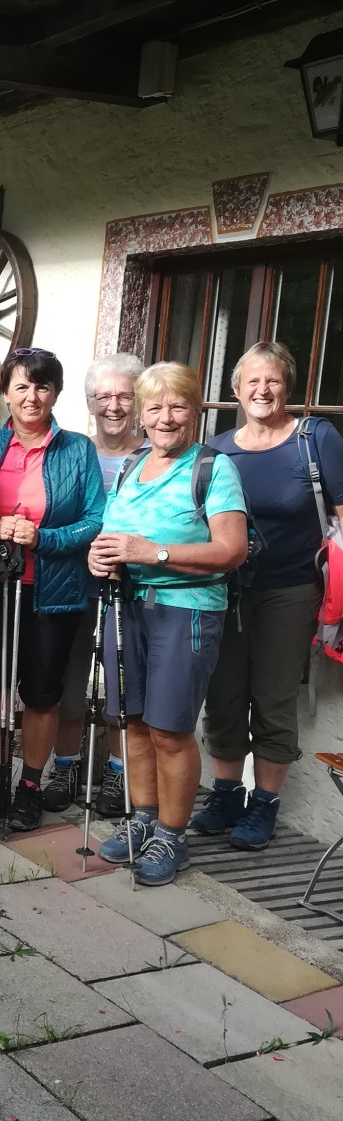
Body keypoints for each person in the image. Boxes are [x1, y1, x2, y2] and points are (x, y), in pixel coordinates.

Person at [90, 361, 247, 885]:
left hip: (187, 608)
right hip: (126, 605)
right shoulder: (133, 464)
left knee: (170, 728)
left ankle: (172, 838)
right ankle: (143, 820)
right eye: (154, 407)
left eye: (177, 405)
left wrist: (150, 551)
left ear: (195, 409)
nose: (165, 417)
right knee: (132, 721)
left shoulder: (214, 468)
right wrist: (103, 557)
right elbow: (116, 533)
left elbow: (231, 550)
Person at [196, 342, 343, 850]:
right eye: (252, 381)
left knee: (275, 697)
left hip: (292, 588)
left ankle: (264, 804)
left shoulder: (316, 438)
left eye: (273, 380)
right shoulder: (215, 450)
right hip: (227, 589)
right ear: (235, 390)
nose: (263, 390)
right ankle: (226, 794)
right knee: (224, 693)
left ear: (289, 387)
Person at [0, 348, 104, 834]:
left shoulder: (78, 450)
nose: (31, 397)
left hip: (54, 589)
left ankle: (29, 785)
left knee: (43, 693)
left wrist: (42, 538)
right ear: (6, 392)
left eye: (42, 387)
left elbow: (94, 519)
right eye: (22, 386)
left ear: (56, 393)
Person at [42, 353, 146, 817]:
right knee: (69, 681)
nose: (114, 406)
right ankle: (64, 764)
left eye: (125, 395)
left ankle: (118, 772)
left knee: (125, 685)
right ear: (89, 403)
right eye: (103, 396)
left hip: (135, 590)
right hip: (73, 586)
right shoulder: (74, 452)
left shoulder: (154, 456)